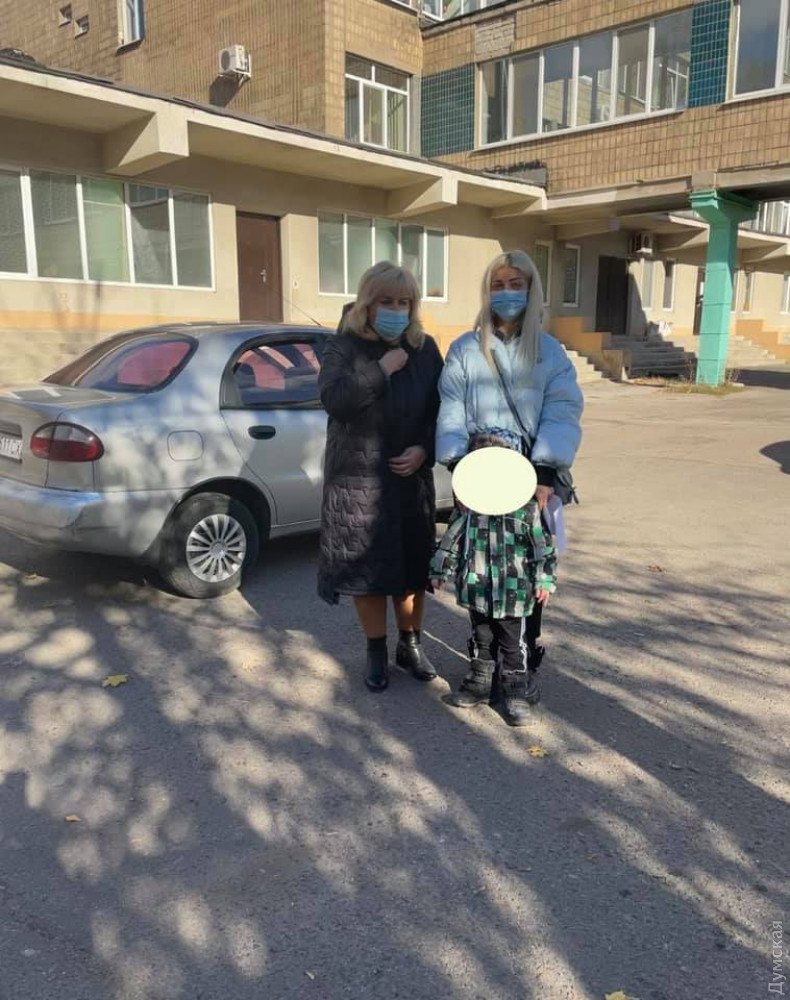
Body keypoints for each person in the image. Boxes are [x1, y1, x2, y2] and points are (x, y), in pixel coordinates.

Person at [436, 249, 583, 709]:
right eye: (498, 285)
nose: (506, 293)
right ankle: (481, 667)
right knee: (480, 570)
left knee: (525, 575)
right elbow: (451, 409)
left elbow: (562, 410)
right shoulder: (465, 349)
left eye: (515, 284)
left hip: (531, 478)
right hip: (479, 475)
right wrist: (459, 470)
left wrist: (545, 472)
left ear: (531, 289)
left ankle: (520, 671)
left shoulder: (550, 352)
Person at [318, 262, 445, 692]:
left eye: (404, 302)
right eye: (386, 301)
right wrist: (381, 369)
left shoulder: (425, 348)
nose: (395, 310)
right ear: (367, 304)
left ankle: (410, 645)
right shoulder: (343, 346)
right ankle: (375, 651)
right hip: (358, 483)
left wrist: (424, 448)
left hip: (410, 480)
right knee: (368, 574)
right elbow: (335, 401)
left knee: (412, 569)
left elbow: (442, 411)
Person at [430, 430, 557, 726]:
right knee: (482, 638)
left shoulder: (526, 511)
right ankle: (480, 683)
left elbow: (543, 549)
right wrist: (439, 570)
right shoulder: (469, 511)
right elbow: (450, 542)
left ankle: (516, 690)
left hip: (514, 594)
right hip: (477, 589)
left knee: (513, 645)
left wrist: (543, 580)